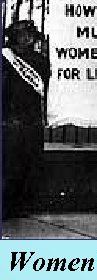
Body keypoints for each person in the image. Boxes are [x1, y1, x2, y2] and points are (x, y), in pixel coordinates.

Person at [2, 20, 49, 219]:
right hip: (12, 120)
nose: (27, 39)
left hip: (29, 121)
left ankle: (18, 205)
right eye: (22, 34)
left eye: (29, 35)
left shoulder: (40, 60)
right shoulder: (5, 58)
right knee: (11, 166)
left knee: (27, 166)